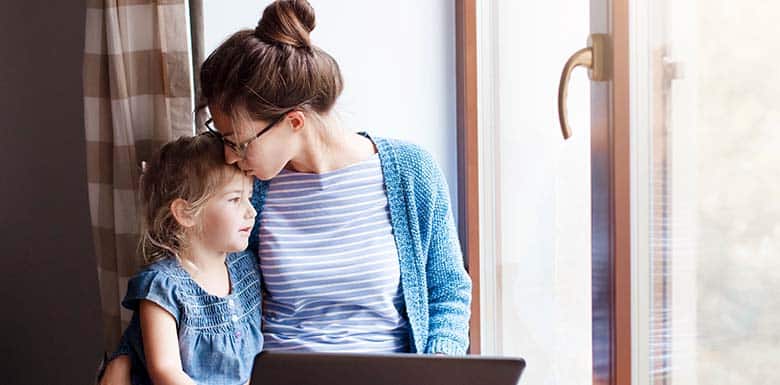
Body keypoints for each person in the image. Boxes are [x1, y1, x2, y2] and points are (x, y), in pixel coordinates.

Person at [99, 0, 471, 382]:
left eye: (238, 141)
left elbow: (448, 290)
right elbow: (191, 278)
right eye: (223, 139)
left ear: (293, 122)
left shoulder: (410, 171)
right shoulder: (247, 189)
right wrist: (126, 354)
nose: (230, 156)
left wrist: (437, 367)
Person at [101, 134, 263, 385]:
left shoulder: (247, 268)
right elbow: (165, 371)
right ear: (186, 213)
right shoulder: (163, 286)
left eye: (250, 198)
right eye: (234, 200)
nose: (251, 211)